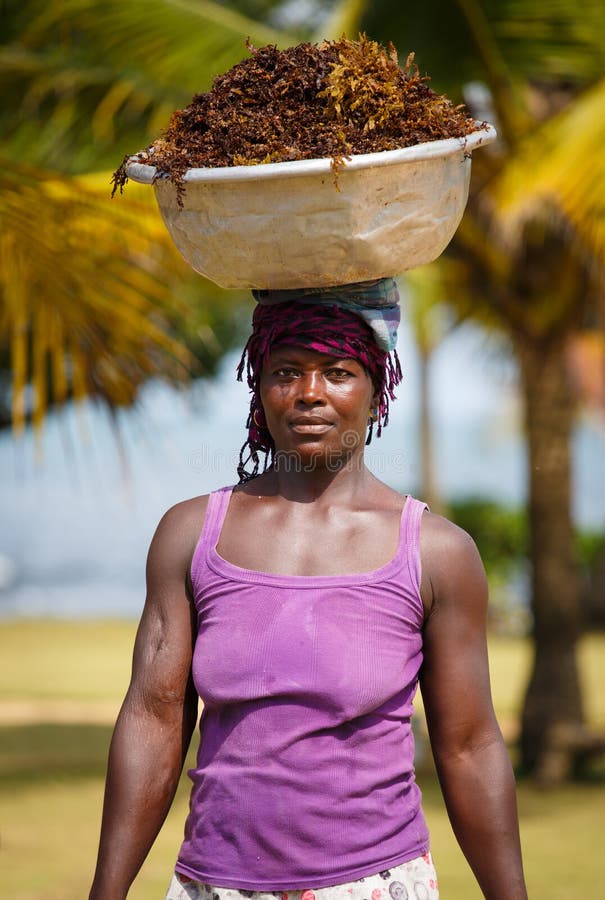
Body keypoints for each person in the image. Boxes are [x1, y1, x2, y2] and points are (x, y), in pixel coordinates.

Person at [89, 279, 528, 900]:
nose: (310, 394)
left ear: (378, 391)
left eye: (338, 372)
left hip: (374, 883)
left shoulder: (436, 552)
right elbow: (154, 718)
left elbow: (468, 744)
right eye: (287, 371)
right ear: (259, 388)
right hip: (214, 884)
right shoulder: (191, 534)